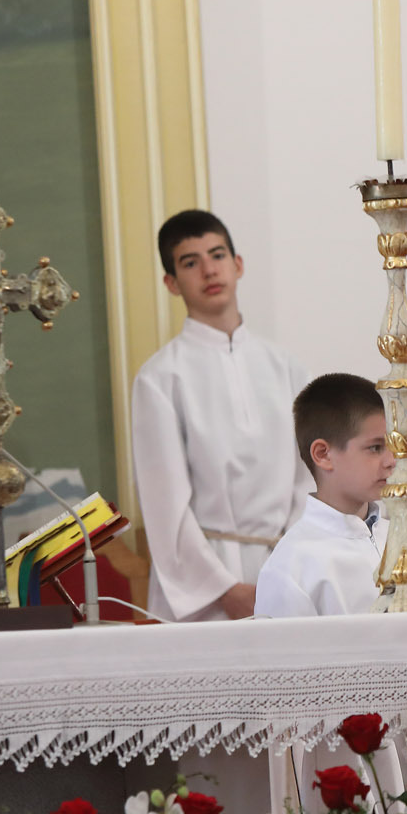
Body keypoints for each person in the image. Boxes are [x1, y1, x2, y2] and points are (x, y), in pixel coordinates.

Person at [131, 210, 310, 622]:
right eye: (190, 262)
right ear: (171, 283)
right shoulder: (160, 378)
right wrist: (224, 591)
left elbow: (310, 480)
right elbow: (164, 504)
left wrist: (290, 566)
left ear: (238, 264)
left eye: (217, 255)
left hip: (286, 570)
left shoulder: (285, 368)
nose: (209, 270)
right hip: (203, 591)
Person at [255, 373, 396, 617]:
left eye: (393, 445)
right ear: (323, 454)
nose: (391, 460)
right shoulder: (292, 566)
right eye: (375, 448)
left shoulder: (400, 538)